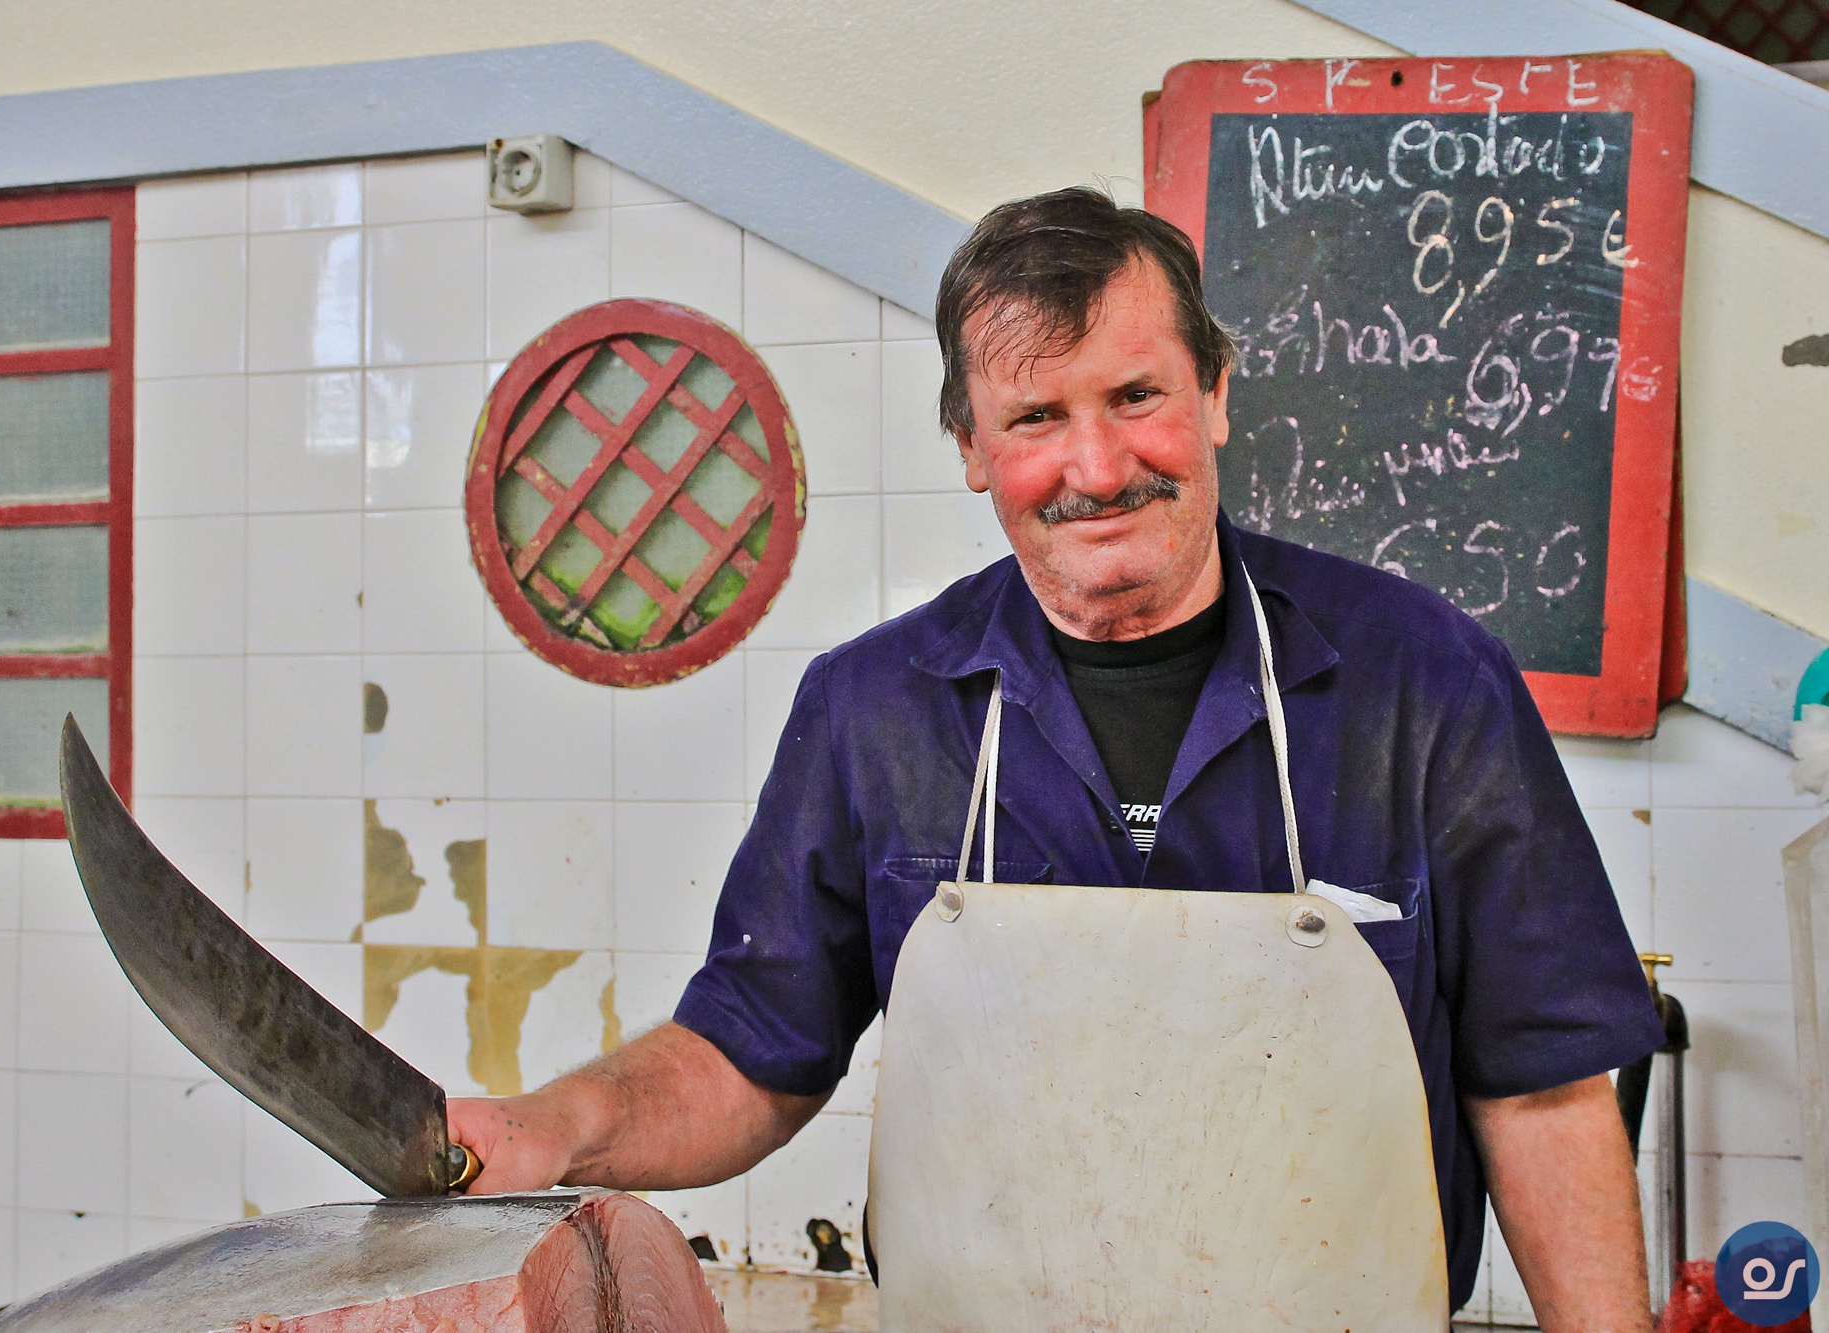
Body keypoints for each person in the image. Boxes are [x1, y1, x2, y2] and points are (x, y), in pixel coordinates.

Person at [449, 186, 1664, 1331]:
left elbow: (1542, 1089)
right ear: (970, 444)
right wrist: (557, 1125)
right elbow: (749, 1053)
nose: (1097, 468)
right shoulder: (876, 710)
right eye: (1035, 418)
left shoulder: (1424, 681)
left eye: (1135, 396)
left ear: (1213, 393)